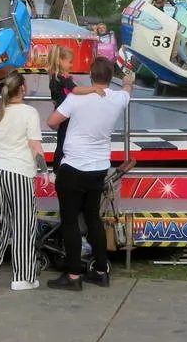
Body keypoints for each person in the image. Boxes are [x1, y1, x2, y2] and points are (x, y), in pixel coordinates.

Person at [46, 56, 134, 290]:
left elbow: (52, 122)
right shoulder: (118, 98)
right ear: (110, 77)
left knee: (70, 222)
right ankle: (101, 271)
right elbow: (127, 91)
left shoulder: (76, 98)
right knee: (94, 219)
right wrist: (128, 81)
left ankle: (74, 275)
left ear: (90, 76)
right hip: (98, 168)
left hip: (73, 166)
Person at [0, 72, 47, 291]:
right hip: (19, 172)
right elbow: (35, 145)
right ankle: (22, 277)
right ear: (23, 89)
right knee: (23, 224)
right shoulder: (29, 112)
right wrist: (44, 170)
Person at [46, 46, 103, 172]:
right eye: (70, 62)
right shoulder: (62, 78)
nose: (71, 65)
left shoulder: (55, 77)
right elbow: (75, 90)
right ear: (61, 60)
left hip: (62, 113)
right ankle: (58, 170)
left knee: (62, 140)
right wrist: (93, 89)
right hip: (65, 115)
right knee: (63, 142)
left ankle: (59, 168)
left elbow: (55, 98)